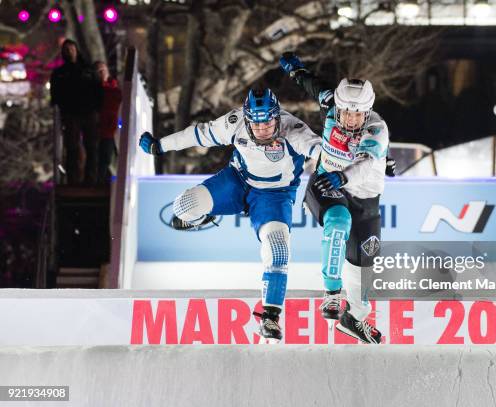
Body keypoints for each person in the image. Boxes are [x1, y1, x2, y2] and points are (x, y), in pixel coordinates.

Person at [139, 88, 321, 343]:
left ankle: (270, 316)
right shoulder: (235, 122)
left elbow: (322, 152)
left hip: (274, 195)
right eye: (256, 125)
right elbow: (199, 134)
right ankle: (202, 217)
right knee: (182, 207)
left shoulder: (294, 129)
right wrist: (161, 145)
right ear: (246, 120)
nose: (263, 130)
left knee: (279, 251)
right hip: (238, 180)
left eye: (268, 123)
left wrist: (355, 168)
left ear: (277, 117)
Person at [280, 53, 389, 344]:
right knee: (338, 221)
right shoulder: (332, 104)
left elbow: (365, 163)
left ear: (367, 113)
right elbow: (314, 85)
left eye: (358, 115)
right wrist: (295, 70)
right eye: (346, 114)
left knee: (363, 265)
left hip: (362, 194)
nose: (351, 120)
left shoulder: (377, 129)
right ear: (338, 107)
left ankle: (354, 319)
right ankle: (331, 292)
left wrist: (346, 176)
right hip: (328, 184)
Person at [50, 39, 103, 185]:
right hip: (71, 114)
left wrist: (97, 108)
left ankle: (91, 180)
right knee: (72, 148)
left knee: (91, 147)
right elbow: (55, 95)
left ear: (76, 50)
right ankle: (72, 180)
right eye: (66, 50)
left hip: (89, 112)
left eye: (71, 49)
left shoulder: (88, 70)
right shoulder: (59, 73)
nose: (69, 52)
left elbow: (99, 90)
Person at [94, 61, 122, 184]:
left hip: (112, 131)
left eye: (103, 70)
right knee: (98, 161)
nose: (102, 73)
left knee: (107, 160)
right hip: (96, 130)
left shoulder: (115, 90)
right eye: (99, 71)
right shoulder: (92, 91)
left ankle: (107, 183)